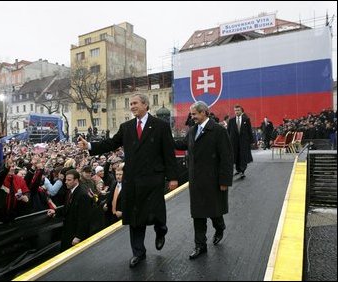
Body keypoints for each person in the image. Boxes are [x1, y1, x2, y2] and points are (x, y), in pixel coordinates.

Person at [78, 93, 179, 268]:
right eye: (130, 103)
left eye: (135, 103)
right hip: (132, 179)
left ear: (146, 105)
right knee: (135, 216)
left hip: (153, 178)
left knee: (156, 212)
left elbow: (168, 153)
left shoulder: (160, 126)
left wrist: (173, 178)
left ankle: (161, 230)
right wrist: (90, 146)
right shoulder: (126, 127)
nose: (132, 106)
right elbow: (111, 143)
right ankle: (138, 252)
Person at [174, 101, 233, 260]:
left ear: (204, 113)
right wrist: (165, 138)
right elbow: (182, 144)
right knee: (198, 214)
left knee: (214, 211)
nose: (191, 117)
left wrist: (225, 181)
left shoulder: (218, 131)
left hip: (213, 181)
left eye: (194, 114)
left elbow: (226, 158)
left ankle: (219, 227)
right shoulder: (193, 131)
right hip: (196, 181)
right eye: (191, 114)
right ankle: (200, 245)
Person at [227, 105, 254, 178]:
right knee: (236, 156)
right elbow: (228, 132)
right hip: (234, 142)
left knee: (243, 156)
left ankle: (242, 171)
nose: (236, 112)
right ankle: (238, 170)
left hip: (244, 142)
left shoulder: (246, 119)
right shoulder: (231, 121)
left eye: (238, 110)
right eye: (235, 110)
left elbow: (249, 131)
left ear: (241, 111)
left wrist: (251, 141)